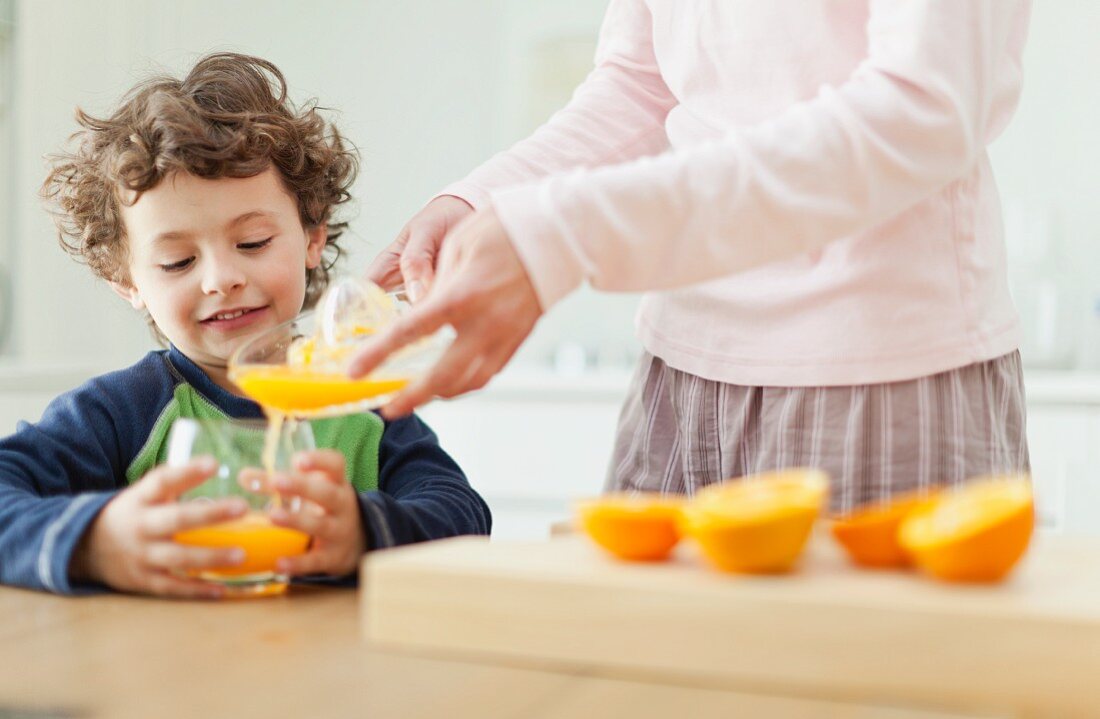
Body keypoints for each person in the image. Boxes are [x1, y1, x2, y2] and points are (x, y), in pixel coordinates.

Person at [353, 1, 1032, 510]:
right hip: (676, 380)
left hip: (876, 370)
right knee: (648, 691)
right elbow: (644, 86)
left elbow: (922, 109)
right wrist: (485, 200)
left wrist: (560, 232)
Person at [0, 53, 490, 598]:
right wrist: (95, 543)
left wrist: (362, 531)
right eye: (177, 262)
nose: (222, 279)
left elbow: (464, 516)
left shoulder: (362, 405)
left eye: (252, 242)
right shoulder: (121, 413)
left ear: (312, 236)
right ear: (127, 281)